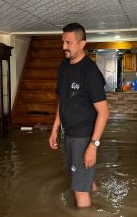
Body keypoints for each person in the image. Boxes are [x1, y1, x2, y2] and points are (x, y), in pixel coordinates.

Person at [49, 23, 109, 208]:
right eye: (63, 42)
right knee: (81, 178)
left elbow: (104, 112)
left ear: (82, 43)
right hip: (70, 134)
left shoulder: (90, 72)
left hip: (84, 137)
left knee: (79, 191)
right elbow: (63, 101)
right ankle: (97, 195)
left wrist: (93, 145)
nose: (64, 47)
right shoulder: (64, 67)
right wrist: (54, 129)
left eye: (68, 42)